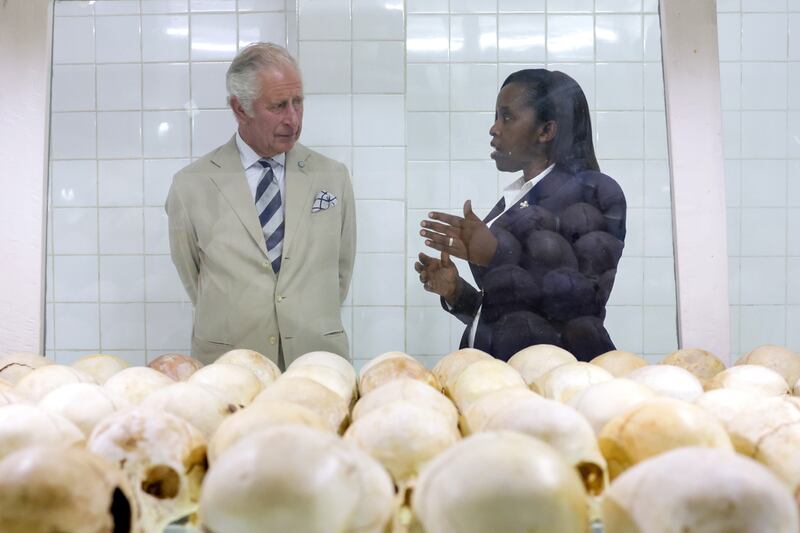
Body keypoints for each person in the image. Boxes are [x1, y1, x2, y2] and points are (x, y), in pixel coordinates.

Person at [166, 43, 355, 369]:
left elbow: (341, 270)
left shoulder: (332, 177)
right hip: (230, 365)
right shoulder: (191, 185)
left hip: (316, 361)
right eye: (279, 106)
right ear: (240, 109)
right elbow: (193, 275)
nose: (292, 119)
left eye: (298, 103)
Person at [416, 69, 626, 362]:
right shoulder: (515, 199)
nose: (494, 128)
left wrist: (496, 255)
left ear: (546, 131)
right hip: (503, 381)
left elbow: (581, 305)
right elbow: (512, 314)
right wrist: (455, 292)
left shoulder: (596, 192)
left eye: (507, 117)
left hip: (553, 384)